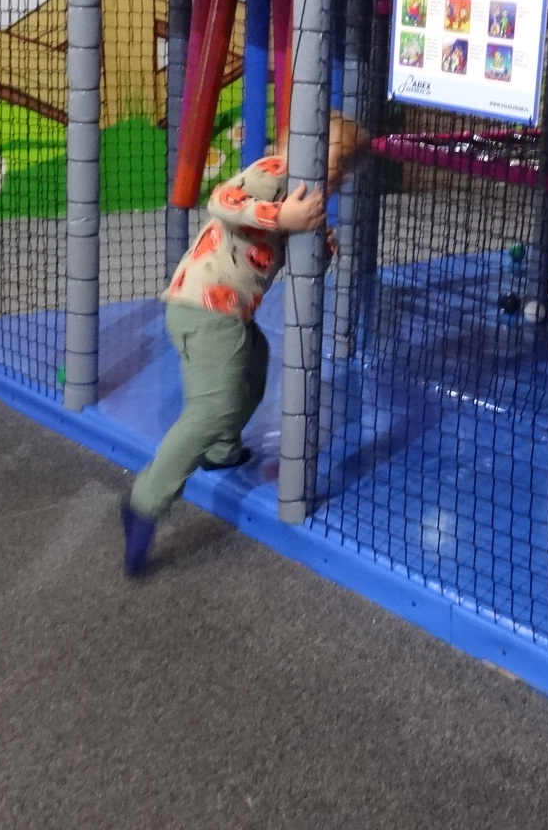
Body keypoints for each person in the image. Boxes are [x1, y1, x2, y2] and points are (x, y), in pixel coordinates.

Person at [121, 116, 369, 577]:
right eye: (334, 157)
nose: (338, 172)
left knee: (254, 366)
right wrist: (283, 217)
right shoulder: (274, 172)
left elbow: (293, 253)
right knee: (213, 407)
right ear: (296, 146)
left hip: (225, 310)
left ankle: (222, 450)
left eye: (345, 167)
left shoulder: (302, 196)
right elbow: (222, 199)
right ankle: (144, 501)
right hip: (205, 307)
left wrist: (317, 243)